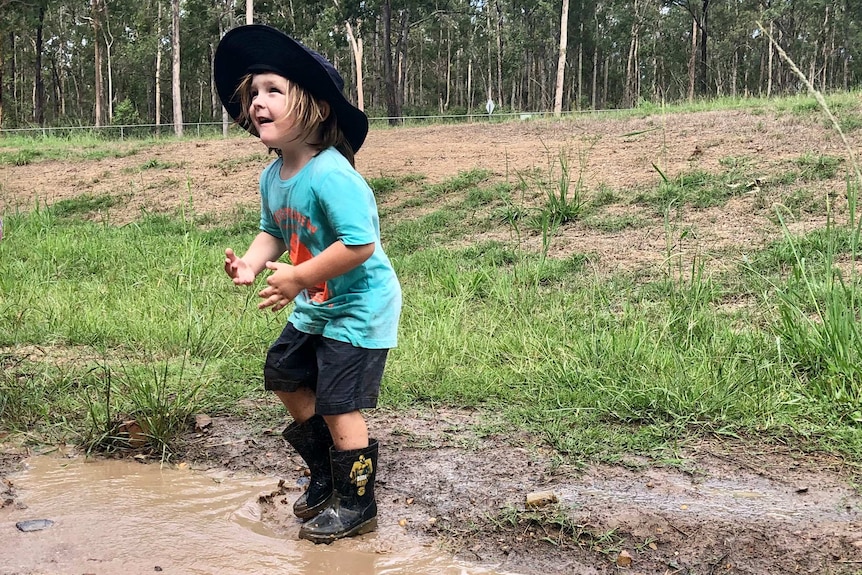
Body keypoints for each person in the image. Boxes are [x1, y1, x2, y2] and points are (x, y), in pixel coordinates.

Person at [213, 24, 401, 544]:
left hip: (359, 306)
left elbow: (360, 244)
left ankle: (357, 503)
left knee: (340, 401)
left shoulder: (332, 173)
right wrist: (252, 264)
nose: (257, 102)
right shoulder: (273, 177)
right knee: (284, 372)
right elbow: (273, 230)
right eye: (253, 93)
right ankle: (326, 472)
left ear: (315, 107)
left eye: (274, 90)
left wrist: (298, 276)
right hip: (317, 302)